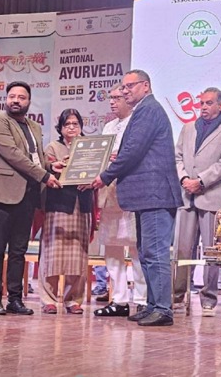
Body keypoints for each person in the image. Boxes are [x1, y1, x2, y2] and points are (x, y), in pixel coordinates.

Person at [91, 69, 183, 327]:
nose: (125, 91)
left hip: (155, 194)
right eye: (123, 87)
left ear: (146, 86)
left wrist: (105, 176)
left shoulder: (148, 110)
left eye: (130, 86)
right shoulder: (142, 111)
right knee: (146, 253)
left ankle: (163, 309)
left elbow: (132, 151)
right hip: (147, 196)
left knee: (155, 253)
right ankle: (153, 305)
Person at [0, 81, 62, 316]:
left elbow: (34, 156)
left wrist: (51, 166)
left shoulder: (34, 126)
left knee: (19, 251)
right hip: (2, 193)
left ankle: (15, 300)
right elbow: (14, 155)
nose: (16, 100)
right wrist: (45, 175)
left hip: (28, 194)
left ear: (29, 101)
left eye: (21, 97)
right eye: (12, 96)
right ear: (6, 99)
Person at [173, 87, 221, 317]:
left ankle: (209, 297)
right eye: (201, 103)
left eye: (209, 103)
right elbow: (177, 157)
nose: (203, 107)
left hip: (213, 196)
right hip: (186, 196)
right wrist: (184, 178)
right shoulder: (188, 128)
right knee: (183, 248)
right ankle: (179, 295)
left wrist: (201, 181)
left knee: (212, 251)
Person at [94, 84, 147, 317]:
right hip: (109, 192)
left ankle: (142, 299)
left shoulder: (138, 123)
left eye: (117, 98)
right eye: (111, 98)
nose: (112, 102)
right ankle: (119, 299)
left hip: (132, 192)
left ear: (128, 99)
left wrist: (121, 158)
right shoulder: (108, 126)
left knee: (136, 248)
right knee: (111, 246)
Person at [39, 109, 93, 315]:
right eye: (67, 124)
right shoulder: (53, 147)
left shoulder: (90, 147)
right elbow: (44, 169)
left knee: (79, 253)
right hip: (58, 204)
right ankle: (48, 299)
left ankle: (74, 299)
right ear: (60, 128)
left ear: (81, 127)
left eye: (75, 124)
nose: (71, 127)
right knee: (52, 252)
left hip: (82, 203)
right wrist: (56, 166)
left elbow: (99, 171)